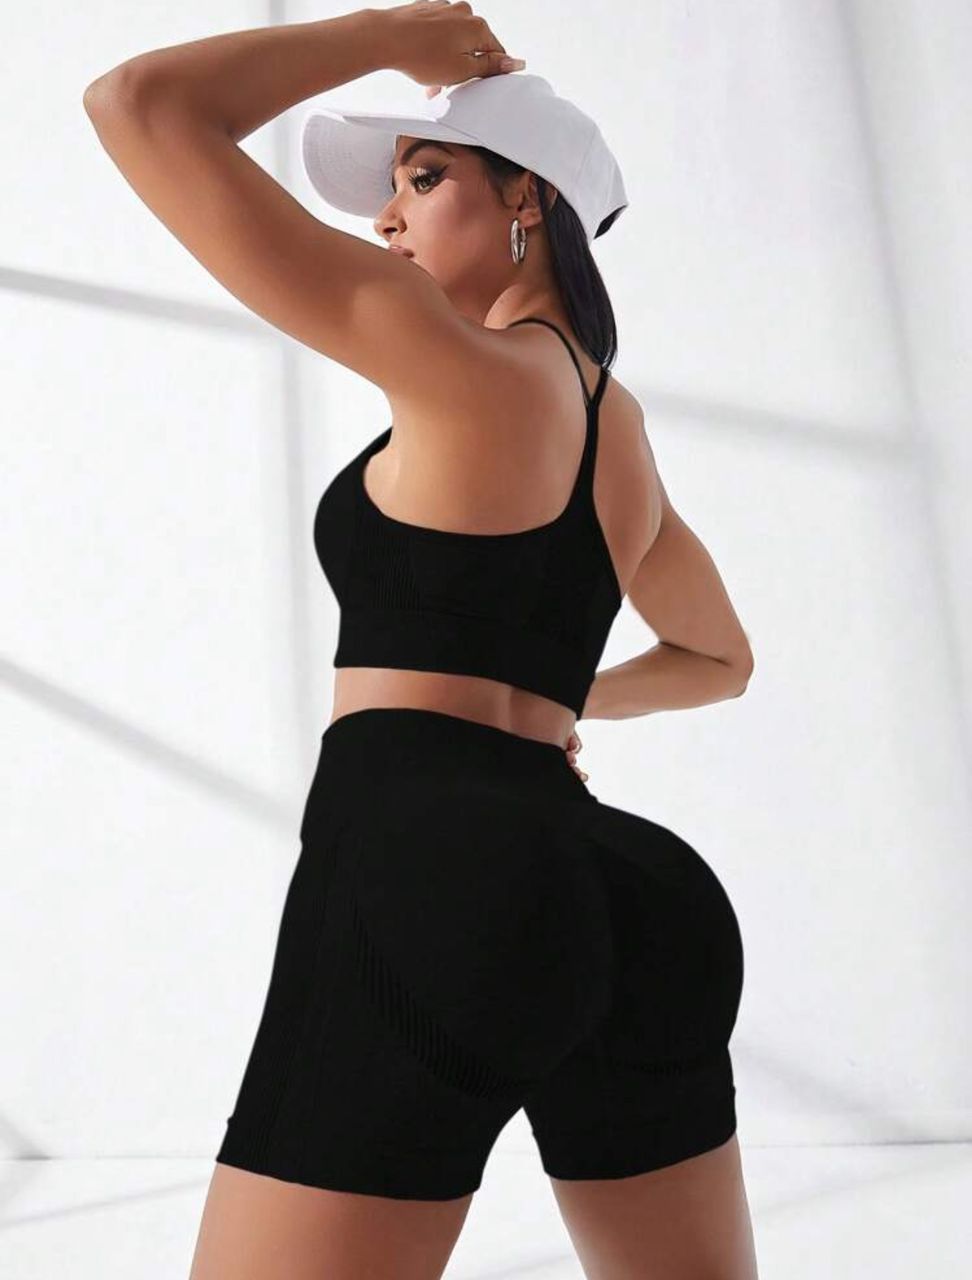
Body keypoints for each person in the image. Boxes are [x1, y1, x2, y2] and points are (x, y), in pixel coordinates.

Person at [84, 4, 759, 1276]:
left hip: (428, 875)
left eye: (424, 176)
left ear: (527, 198)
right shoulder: (620, 434)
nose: (387, 221)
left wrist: (406, 33)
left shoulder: (455, 365)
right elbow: (720, 659)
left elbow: (141, 105)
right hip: (632, 894)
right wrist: (559, 710)